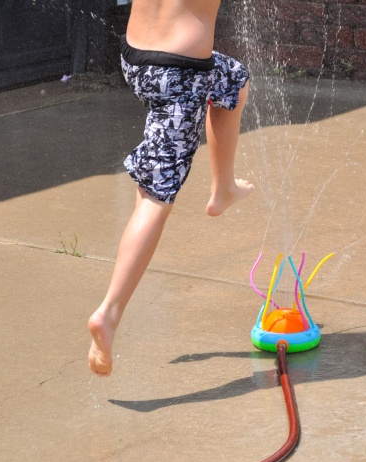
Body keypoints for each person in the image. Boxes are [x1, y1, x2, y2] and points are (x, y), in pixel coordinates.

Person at [88, 0, 254, 376]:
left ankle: (223, 187)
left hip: (136, 59)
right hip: (179, 75)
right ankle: (108, 314)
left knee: (233, 79)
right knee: (155, 199)